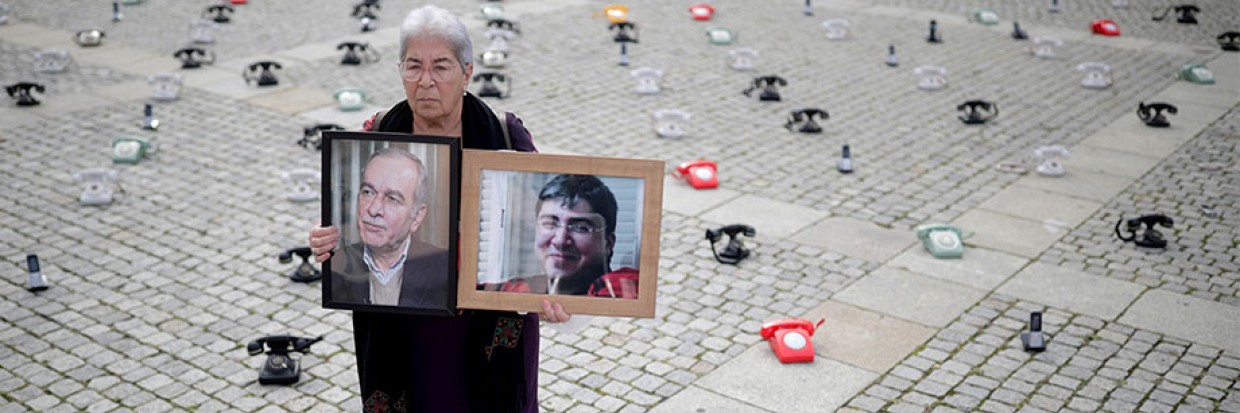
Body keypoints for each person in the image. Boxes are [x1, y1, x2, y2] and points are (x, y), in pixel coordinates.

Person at [307, 6, 567, 413]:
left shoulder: (503, 134)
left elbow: (544, 229)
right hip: (406, 330)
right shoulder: (374, 134)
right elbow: (350, 234)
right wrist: (329, 242)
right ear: (400, 69)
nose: (426, 81)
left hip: (488, 330)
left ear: (467, 72)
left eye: (441, 67)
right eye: (413, 66)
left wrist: (552, 290)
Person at [482, 174, 639, 298]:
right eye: (550, 223)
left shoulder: (620, 290)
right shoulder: (515, 290)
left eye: (580, 227)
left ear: (608, 243)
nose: (560, 240)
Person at [331, 149, 449, 309]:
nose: (374, 209)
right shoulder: (337, 263)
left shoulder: (443, 269)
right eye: (368, 192)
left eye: (392, 199)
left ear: (418, 216)